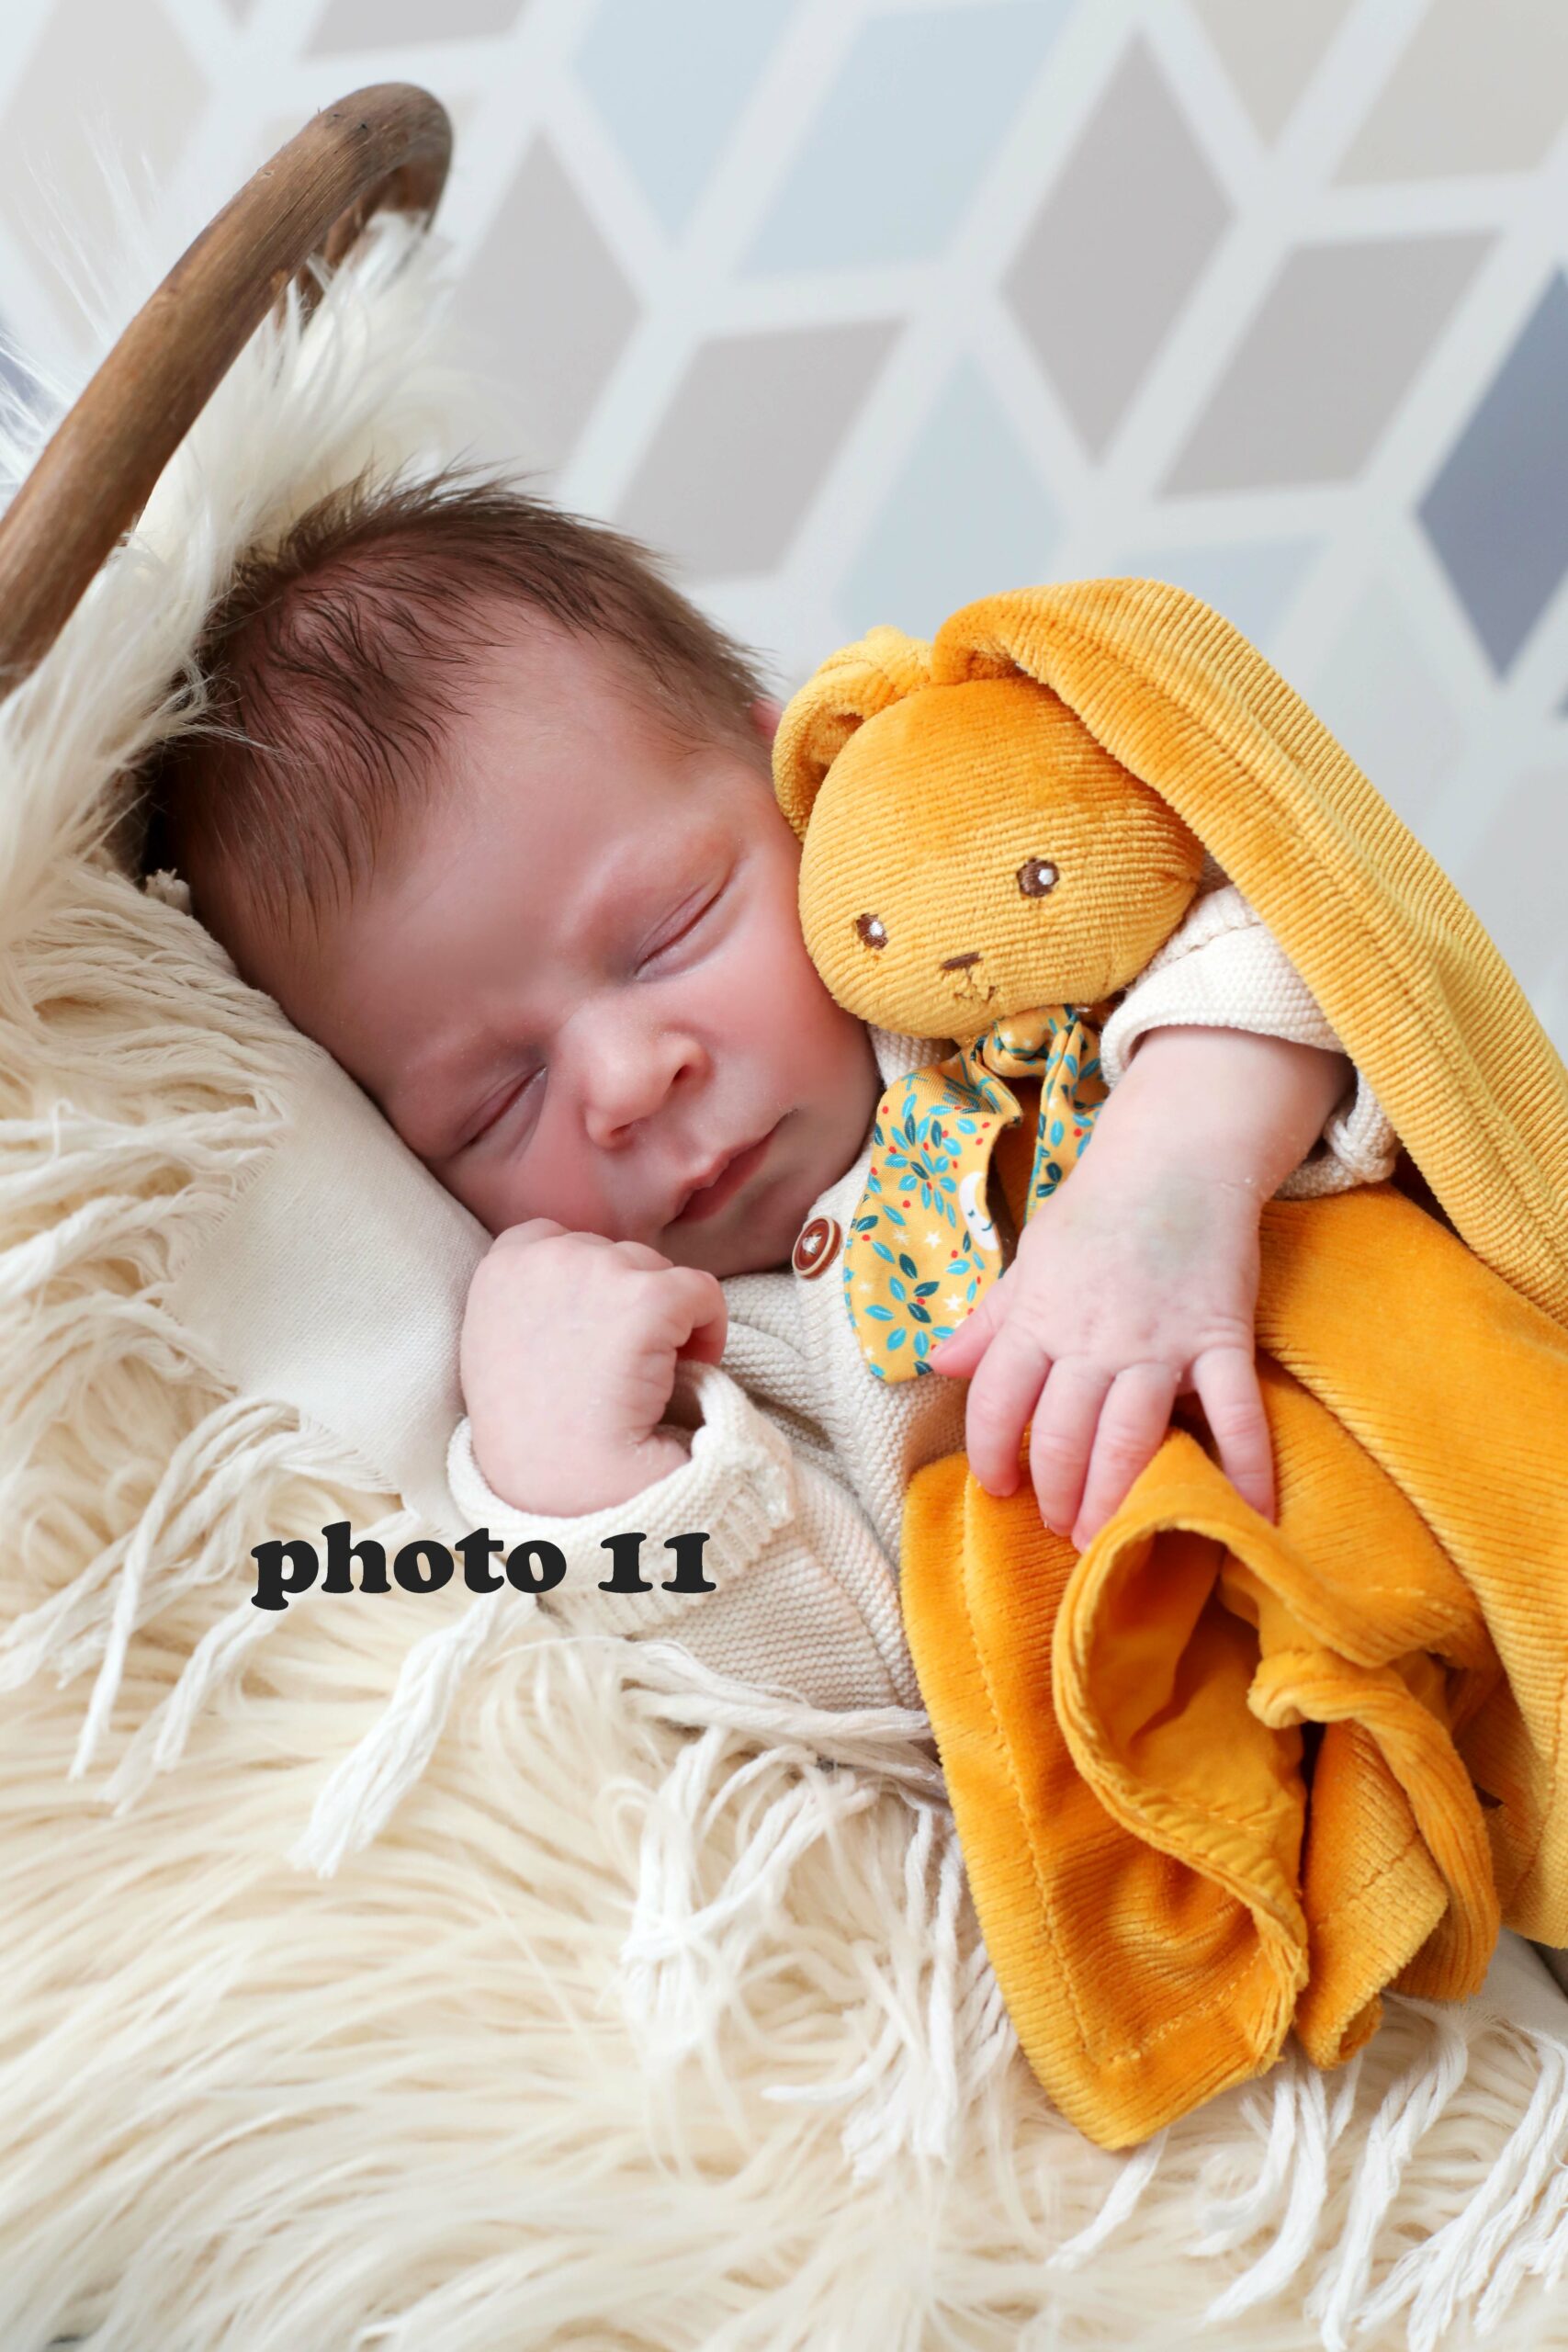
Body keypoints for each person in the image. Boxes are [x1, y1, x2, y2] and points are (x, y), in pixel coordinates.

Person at [141, 469, 1396, 1711]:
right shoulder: (698, 1381)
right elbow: (877, 1718)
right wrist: (588, 1491)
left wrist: (1168, 1180)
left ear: (792, 781)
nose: (628, 1081)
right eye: (495, 1101)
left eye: (669, 932)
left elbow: (1307, 941)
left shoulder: (983, 974)